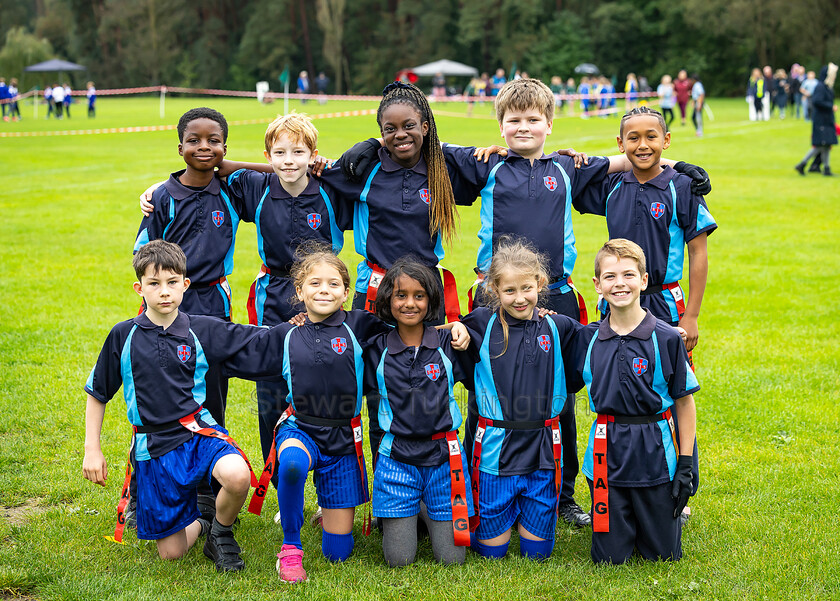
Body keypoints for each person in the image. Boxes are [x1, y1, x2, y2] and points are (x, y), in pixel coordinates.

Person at [82, 240, 258, 570]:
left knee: (237, 476)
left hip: (197, 431)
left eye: (172, 283)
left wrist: (295, 329)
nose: (165, 292)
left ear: (185, 285)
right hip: (154, 444)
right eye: (154, 284)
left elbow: (253, 338)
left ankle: (220, 533)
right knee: (172, 553)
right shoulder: (123, 336)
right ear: (139, 288)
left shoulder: (200, 329)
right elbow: (98, 392)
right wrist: (92, 448)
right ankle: (200, 523)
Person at [243, 248, 391, 583]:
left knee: (339, 553)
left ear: (345, 291)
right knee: (292, 463)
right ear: (299, 291)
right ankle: (291, 549)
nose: (324, 289)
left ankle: (330, 513)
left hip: (343, 440)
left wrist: (455, 329)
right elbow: (235, 342)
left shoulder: (361, 325)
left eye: (333, 283)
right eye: (314, 283)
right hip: (301, 428)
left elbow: (408, 329)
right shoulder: (287, 332)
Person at [134, 107, 250, 527]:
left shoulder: (232, 192)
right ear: (179, 146)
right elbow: (143, 254)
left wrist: (226, 167)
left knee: (212, 390)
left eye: (214, 141)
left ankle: (208, 488)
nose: (204, 147)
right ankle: (142, 487)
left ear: (225, 147)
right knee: (159, 394)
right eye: (195, 140)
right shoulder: (162, 197)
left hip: (213, 303)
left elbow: (277, 174)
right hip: (168, 304)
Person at [569, 238, 698, 564]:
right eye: (610, 276)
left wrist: (685, 463)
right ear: (597, 285)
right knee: (609, 559)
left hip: (655, 456)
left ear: (643, 280)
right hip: (606, 458)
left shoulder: (667, 337)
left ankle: (665, 514)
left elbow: (684, 403)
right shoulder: (588, 338)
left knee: (663, 555)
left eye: (628, 274)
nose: (619, 283)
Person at [458, 238, 583, 559]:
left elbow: (607, 337)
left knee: (537, 553)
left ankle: (534, 513)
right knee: (491, 553)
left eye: (526, 288)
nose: (519, 298)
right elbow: (435, 334)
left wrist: (669, 335)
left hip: (543, 449)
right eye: (509, 290)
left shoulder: (558, 326)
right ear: (493, 290)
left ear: (540, 284)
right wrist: (456, 330)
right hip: (495, 452)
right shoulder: (479, 325)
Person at [319, 81, 460, 324]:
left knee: (428, 358)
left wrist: (495, 150)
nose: (401, 134)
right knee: (372, 358)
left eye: (409, 126)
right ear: (382, 133)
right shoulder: (365, 170)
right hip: (377, 286)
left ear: (425, 127)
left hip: (425, 288)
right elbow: (298, 170)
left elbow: (490, 165)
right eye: (390, 129)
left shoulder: (441, 170)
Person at [365, 257, 473, 566]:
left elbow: (492, 319)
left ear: (431, 300)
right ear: (388, 299)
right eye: (401, 295)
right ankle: (411, 505)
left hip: (444, 457)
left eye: (419, 295)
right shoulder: (376, 348)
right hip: (397, 457)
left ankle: (427, 505)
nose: (410, 303)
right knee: (398, 560)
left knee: (452, 560)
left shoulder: (450, 343)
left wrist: (459, 324)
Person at [795, 63, 838, 176]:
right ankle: (802, 164)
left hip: (827, 119)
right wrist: (830, 106)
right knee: (820, 145)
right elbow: (817, 101)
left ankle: (826, 169)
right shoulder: (820, 87)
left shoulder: (827, 87)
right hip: (821, 120)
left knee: (826, 145)